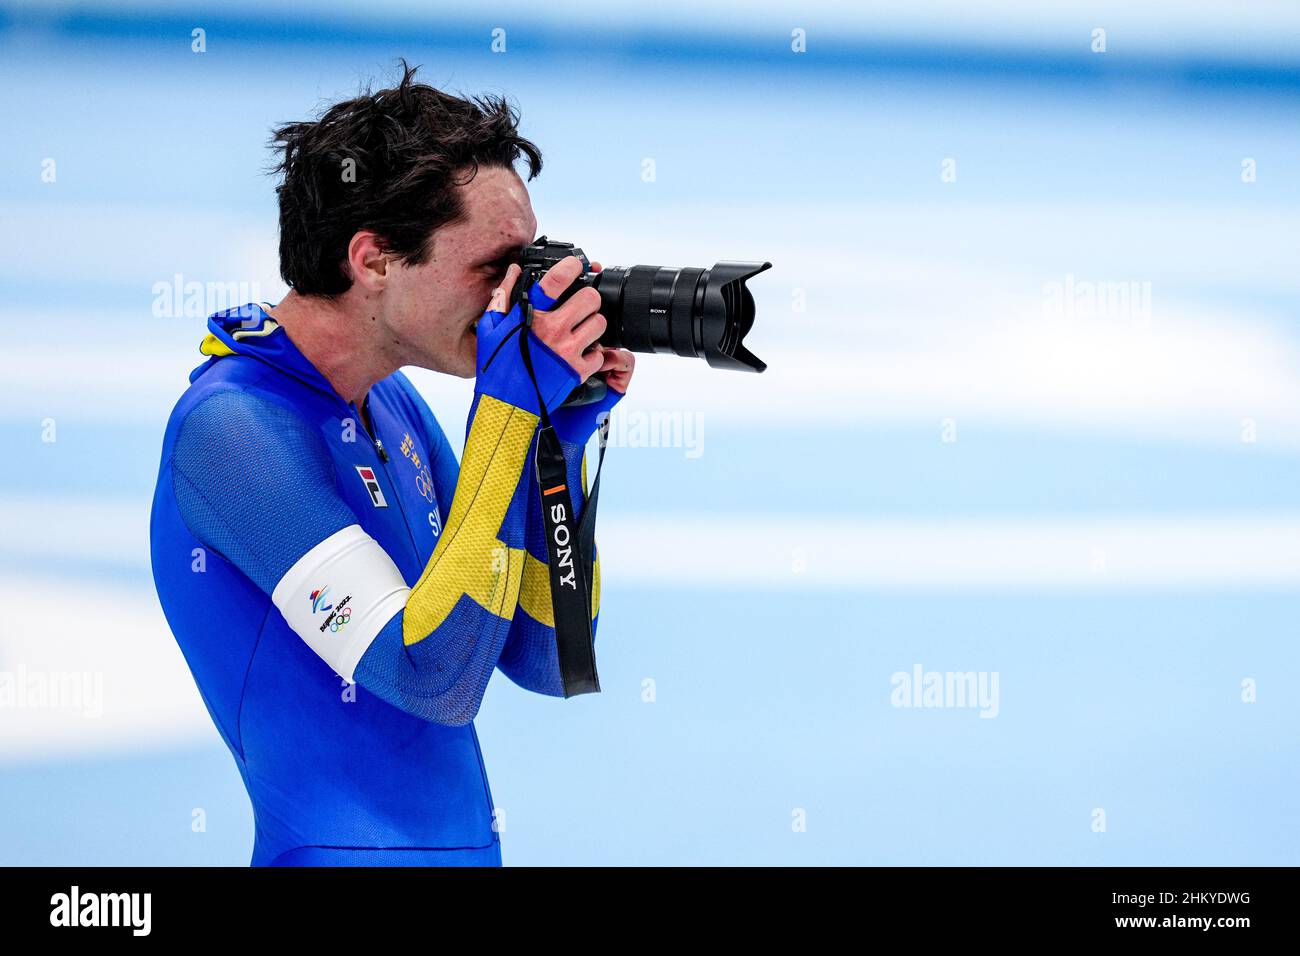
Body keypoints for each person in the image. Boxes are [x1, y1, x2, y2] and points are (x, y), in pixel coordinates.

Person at [148, 62, 634, 866]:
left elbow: (546, 658)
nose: (520, 301)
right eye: (496, 269)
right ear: (373, 260)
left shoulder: (390, 405)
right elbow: (432, 678)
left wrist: (556, 442)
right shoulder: (231, 433)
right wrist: (508, 419)